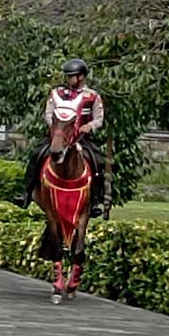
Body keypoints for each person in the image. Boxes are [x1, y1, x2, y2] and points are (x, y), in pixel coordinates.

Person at [16, 58, 106, 217]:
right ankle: (26, 192)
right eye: (67, 76)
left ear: (81, 76)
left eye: (71, 76)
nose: (68, 79)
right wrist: (55, 128)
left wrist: (89, 126)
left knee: (97, 160)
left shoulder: (92, 96)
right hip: (58, 136)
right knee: (37, 154)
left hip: (80, 138)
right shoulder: (56, 93)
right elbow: (48, 113)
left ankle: (96, 200)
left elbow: (99, 118)